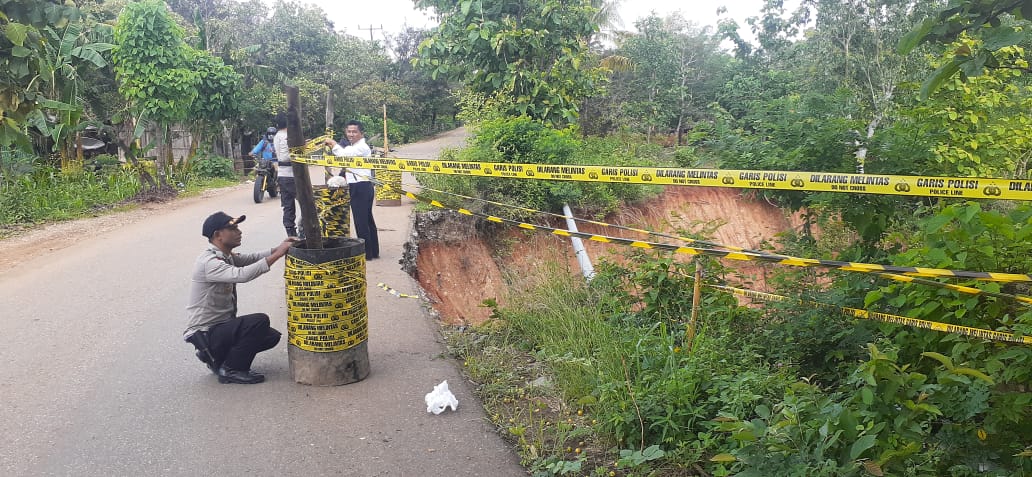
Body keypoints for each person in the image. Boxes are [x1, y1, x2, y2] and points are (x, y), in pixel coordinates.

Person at [183, 212, 297, 384]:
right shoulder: (209, 262)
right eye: (233, 228)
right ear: (217, 235)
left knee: (270, 336)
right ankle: (231, 369)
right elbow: (242, 275)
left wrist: (278, 247)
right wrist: (278, 254)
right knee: (259, 321)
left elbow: (249, 259)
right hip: (207, 332)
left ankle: (218, 358)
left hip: (218, 329)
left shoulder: (225, 256)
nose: (239, 232)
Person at [325, 120, 379, 259]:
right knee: (367, 220)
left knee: (361, 221)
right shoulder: (353, 146)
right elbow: (346, 154)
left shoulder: (361, 147)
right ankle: (373, 250)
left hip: (361, 186)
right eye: (349, 131)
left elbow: (344, 156)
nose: (351, 134)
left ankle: (366, 253)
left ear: (361, 133)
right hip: (360, 185)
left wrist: (333, 144)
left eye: (354, 132)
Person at [272, 114, 298, 236]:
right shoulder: (286, 136)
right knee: (307, 203)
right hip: (291, 176)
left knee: (288, 206)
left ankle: (291, 234)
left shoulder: (277, 136)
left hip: (283, 175)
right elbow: (284, 157)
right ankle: (303, 230)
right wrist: (300, 150)